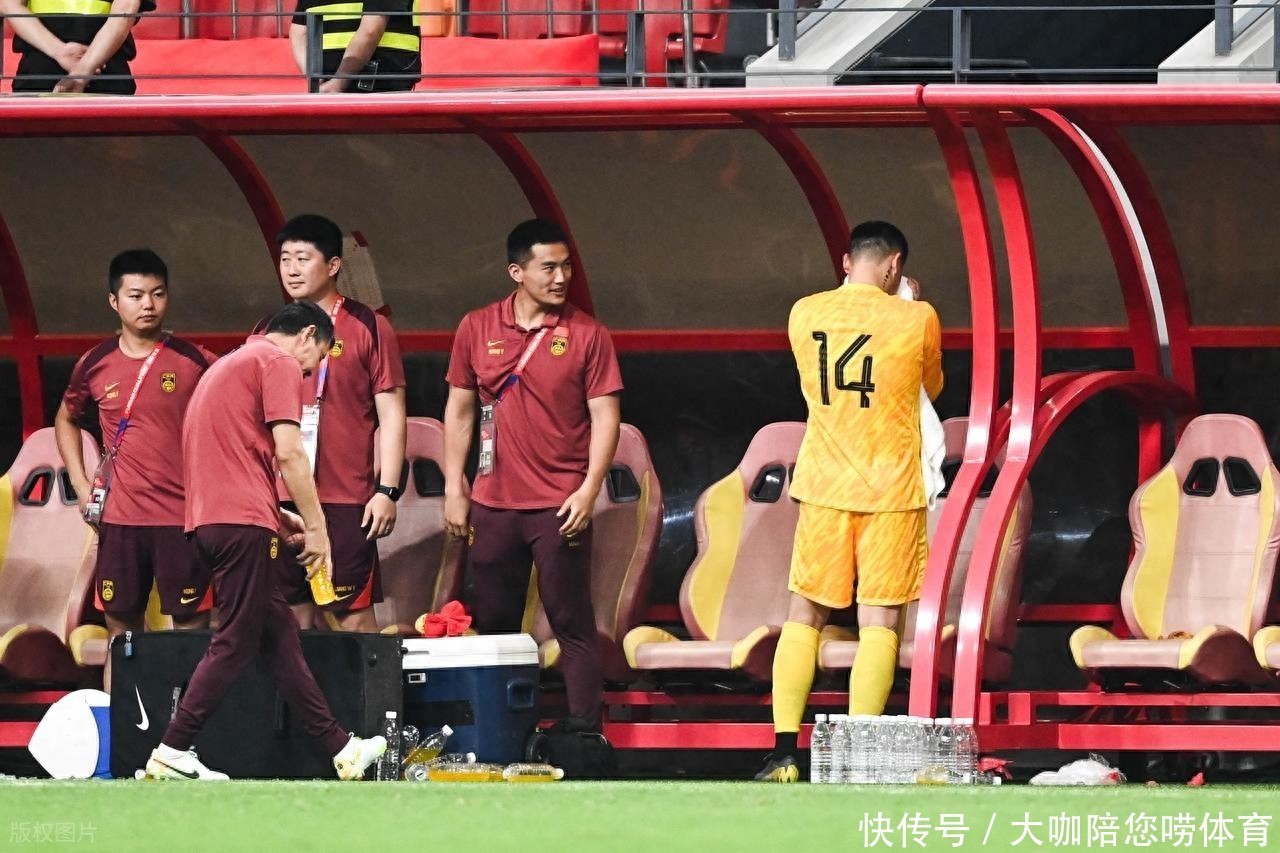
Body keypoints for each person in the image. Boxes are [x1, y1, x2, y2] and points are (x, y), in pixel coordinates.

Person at [145, 301, 386, 781]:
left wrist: (276, 515)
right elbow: (291, 454)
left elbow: (227, 458)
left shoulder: (231, 364)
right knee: (235, 641)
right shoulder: (277, 361)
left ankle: (342, 749)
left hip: (215, 521)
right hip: (239, 523)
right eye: (317, 360)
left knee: (280, 639)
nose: (310, 373)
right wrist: (317, 528)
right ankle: (172, 748)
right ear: (307, 335)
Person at [756, 221, 943, 782]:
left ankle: (783, 753)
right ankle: (860, 757)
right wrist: (907, 303)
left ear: (845, 261)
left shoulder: (803, 312)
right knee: (879, 624)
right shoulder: (917, 317)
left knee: (804, 618)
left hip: (823, 485)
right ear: (894, 266)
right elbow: (929, 387)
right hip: (891, 490)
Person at [443, 219, 623, 731]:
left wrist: (588, 491)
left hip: (559, 505)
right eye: (549, 268)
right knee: (495, 627)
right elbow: (459, 410)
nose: (561, 277)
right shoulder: (476, 326)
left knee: (571, 623)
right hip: (493, 504)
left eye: (566, 267)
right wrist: (456, 487)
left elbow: (606, 418)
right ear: (517, 272)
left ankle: (584, 736)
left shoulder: (588, 333)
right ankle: (502, 735)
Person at [55, 249, 217, 693]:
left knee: (192, 631)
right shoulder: (94, 363)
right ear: (114, 301)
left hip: (183, 520)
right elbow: (66, 419)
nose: (148, 304)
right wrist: (80, 483)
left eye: (158, 294)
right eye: (136, 295)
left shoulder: (195, 360)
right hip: (121, 521)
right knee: (121, 635)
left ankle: (188, 729)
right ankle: (121, 731)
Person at [256, 214, 406, 633]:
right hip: (280, 499)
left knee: (352, 618)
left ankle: (371, 684)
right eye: (285, 259)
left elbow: (392, 414)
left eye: (303, 258)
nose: (291, 269)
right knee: (291, 620)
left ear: (334, 265)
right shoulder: (267, 331)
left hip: (345, 498)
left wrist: (387, 491)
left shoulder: (369, 326)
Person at [0, 0, 151, 94]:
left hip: (105, 77)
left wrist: (81, 70)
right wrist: (82, 68)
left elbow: (126, 9)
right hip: (105, 74)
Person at [289, 0, 419, 93]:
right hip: (380, 82)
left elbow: (299, 32)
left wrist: (315, 77)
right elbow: (371, 29)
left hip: (372, 82)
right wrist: (337, 83)